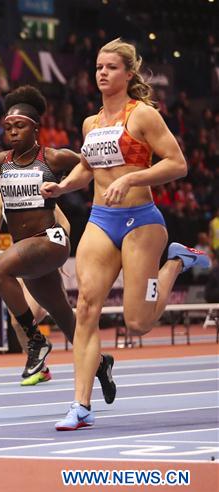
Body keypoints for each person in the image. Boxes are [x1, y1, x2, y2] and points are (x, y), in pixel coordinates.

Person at [42, 39, 210, 431]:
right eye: (98, 67)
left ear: (128, 74)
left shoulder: (144, 116)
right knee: (86, 307)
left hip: (141, 221)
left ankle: (175, 261)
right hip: (102, 219)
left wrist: (133, 176)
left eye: (111, 67)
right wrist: (63, 187)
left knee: (138, 323)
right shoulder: (91, 123)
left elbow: (178, 164)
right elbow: (87, 168)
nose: (102, 73)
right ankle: (81, 405)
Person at [0, 85, 116, 395]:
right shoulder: (0, 161)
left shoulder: (53, 157)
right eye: (8, 127)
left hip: (51, 240)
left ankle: (36, 340)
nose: (12, 132)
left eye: (20, 126)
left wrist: (72, 188)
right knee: (68, 322)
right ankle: (100, 365)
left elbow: (92, 167)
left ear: (36, 129)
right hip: (28, 253)